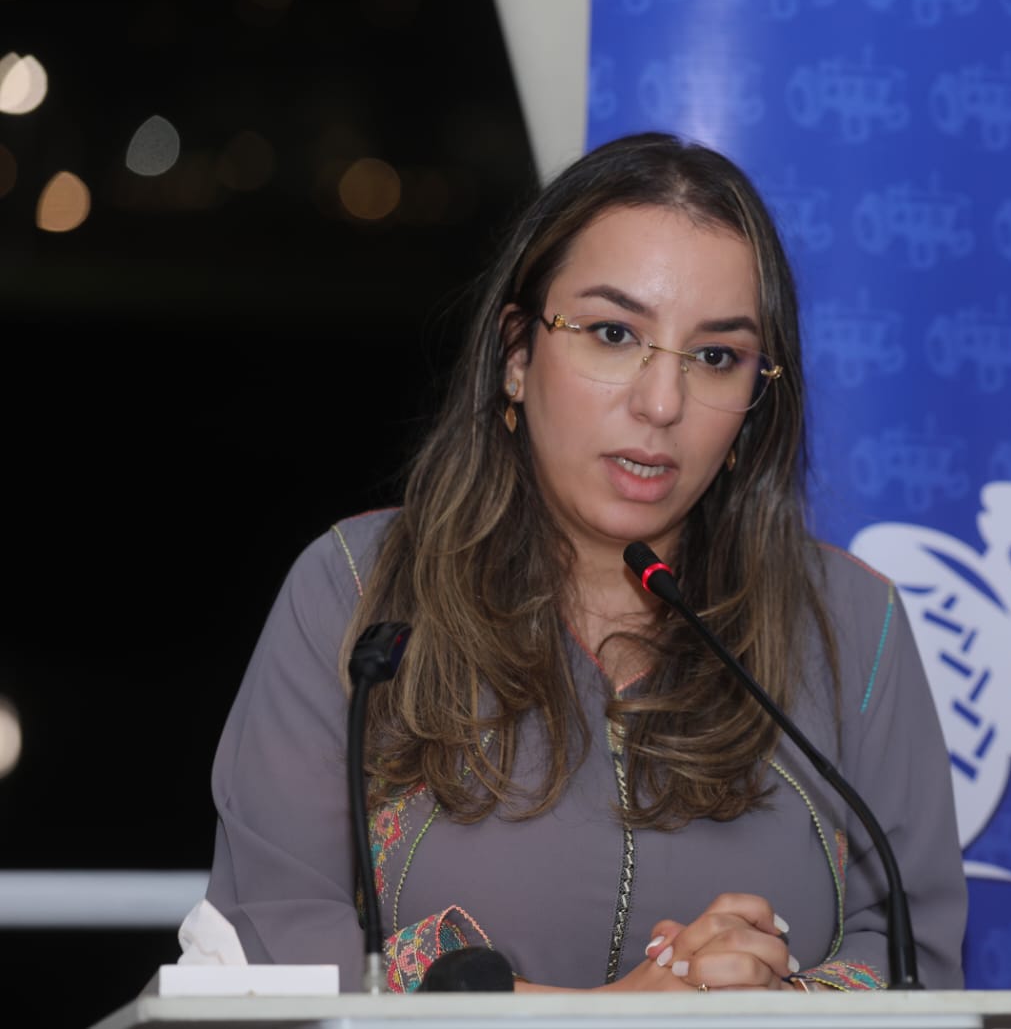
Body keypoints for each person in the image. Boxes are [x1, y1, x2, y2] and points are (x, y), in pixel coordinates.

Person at [203, 132, 966, 994]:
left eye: (716, 356)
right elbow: (271, 942)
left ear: (756, 400)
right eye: (612, 333)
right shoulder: (355, 592)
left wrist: (771, 1003)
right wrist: (620, 1014)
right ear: (517, 355)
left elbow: (915, 955)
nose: (662, 402)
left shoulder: (851, 623)